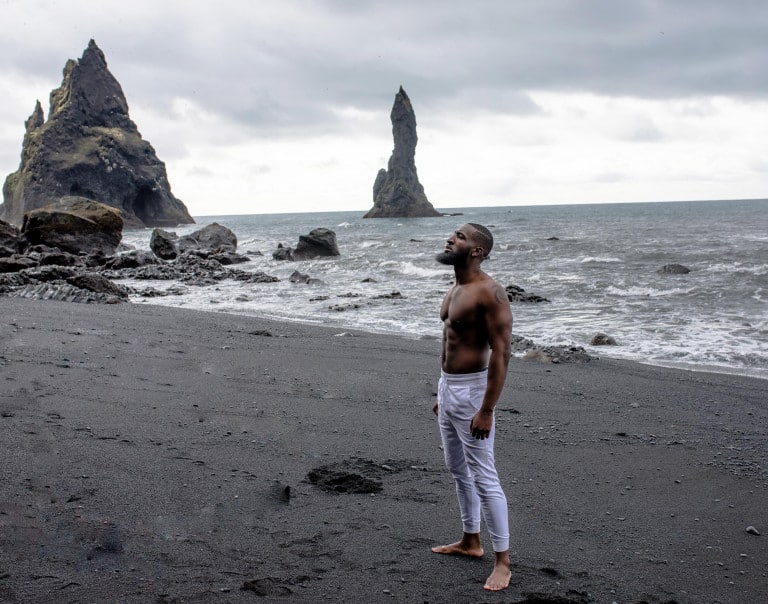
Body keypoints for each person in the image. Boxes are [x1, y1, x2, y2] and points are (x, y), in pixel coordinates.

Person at [431, 223, 513, 591]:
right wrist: (442, 392)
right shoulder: (455, 288)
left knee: (484, 475)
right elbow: (449, 342)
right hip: (449, 389)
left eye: (461, 237)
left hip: (473, 393)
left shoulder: (490, 292)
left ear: (477, 251)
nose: (451, 239)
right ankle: (470, 540)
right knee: (457, 469)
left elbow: (502, 352)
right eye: (453, 234)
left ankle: (503, 562)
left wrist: (487, 409)